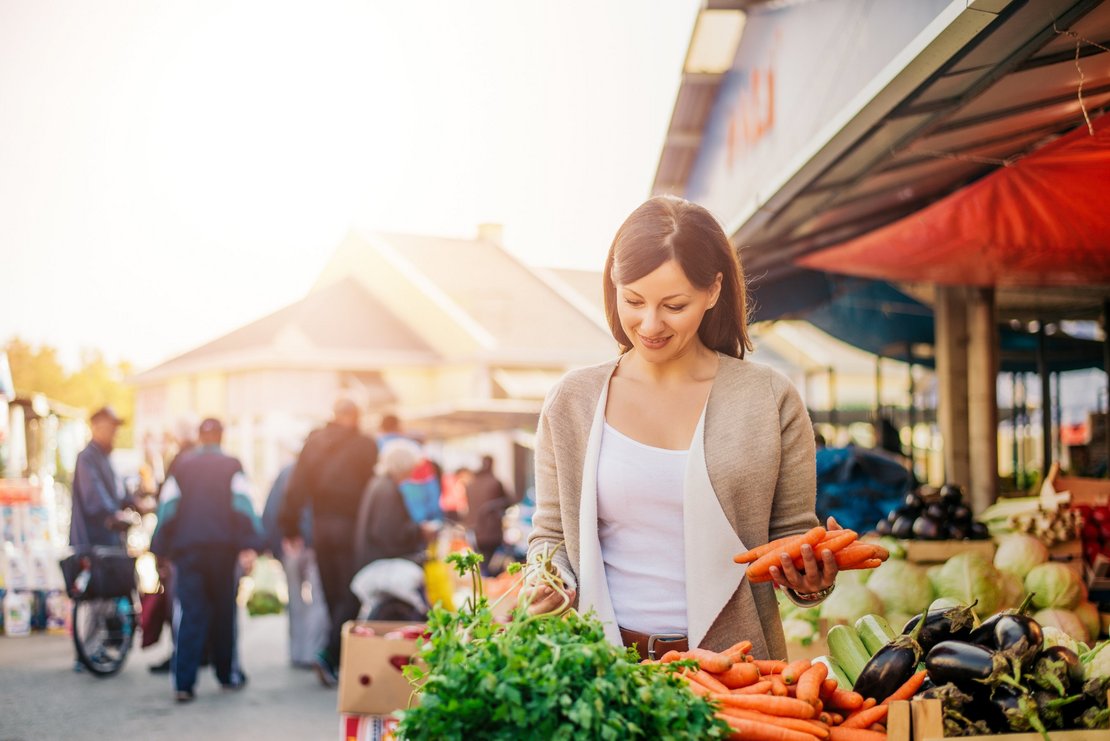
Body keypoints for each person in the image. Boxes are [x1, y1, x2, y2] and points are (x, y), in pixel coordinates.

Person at [525, 195, 839, 662]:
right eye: (632, 300)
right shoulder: (572, 401)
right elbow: (551, 534)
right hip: (604, 670)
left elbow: (793, 539)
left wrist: (812, 581)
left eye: (674, 305)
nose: (649, 324)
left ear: (713, 291)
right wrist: (548, 579)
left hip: (738, 672)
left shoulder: (769, 399)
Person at [151, 418, 263, 703]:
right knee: (224, 613)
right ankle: (227, 677)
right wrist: (251, 544)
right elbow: (243, 504)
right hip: (223, 550)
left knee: (191, 613)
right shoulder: (231, 465)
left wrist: (160, 548)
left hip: (189, 550)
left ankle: (184, 684)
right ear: (221, 437)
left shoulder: (182, 465)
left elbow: (168, 507)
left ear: (200, 437)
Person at [279, 398, 378, 688]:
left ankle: (336, 658)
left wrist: (290, 527)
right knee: (352, 592)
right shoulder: (365, 444)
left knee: (334, 592)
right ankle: (329, 653)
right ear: (355, 416)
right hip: (350, 526)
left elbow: (296, 486)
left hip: (321, 526)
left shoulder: (315, 443)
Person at [353, 438, 436, 618]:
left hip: (374, 558)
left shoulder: (381, 484)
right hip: (382, 561)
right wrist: (420, 531)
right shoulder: (386, 490)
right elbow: (388, 533)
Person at [261, 459, 329, 668]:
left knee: (295, 598)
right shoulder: (324, 470)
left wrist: (275, 544)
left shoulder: (286, 472)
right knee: (318, 599)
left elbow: (271, 510)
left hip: (290, 544)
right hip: (314, 543)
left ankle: (298, 652)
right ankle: (314, 652)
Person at [70, 406, 139, 549]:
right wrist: (115, 514)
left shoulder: (106, 458)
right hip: (93, 544)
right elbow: (95, 499)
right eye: (111, 428)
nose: (115, 433)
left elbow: (118, 493)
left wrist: (135, 504)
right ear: (97, 428)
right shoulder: (87, 458)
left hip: (110, 543)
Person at [464, 455, 512, 575]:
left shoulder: (471, 484)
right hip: (491, 532)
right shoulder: (495, 482)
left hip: (473, 530)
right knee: (492, 567)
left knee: (481, 564)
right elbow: (509, 501)